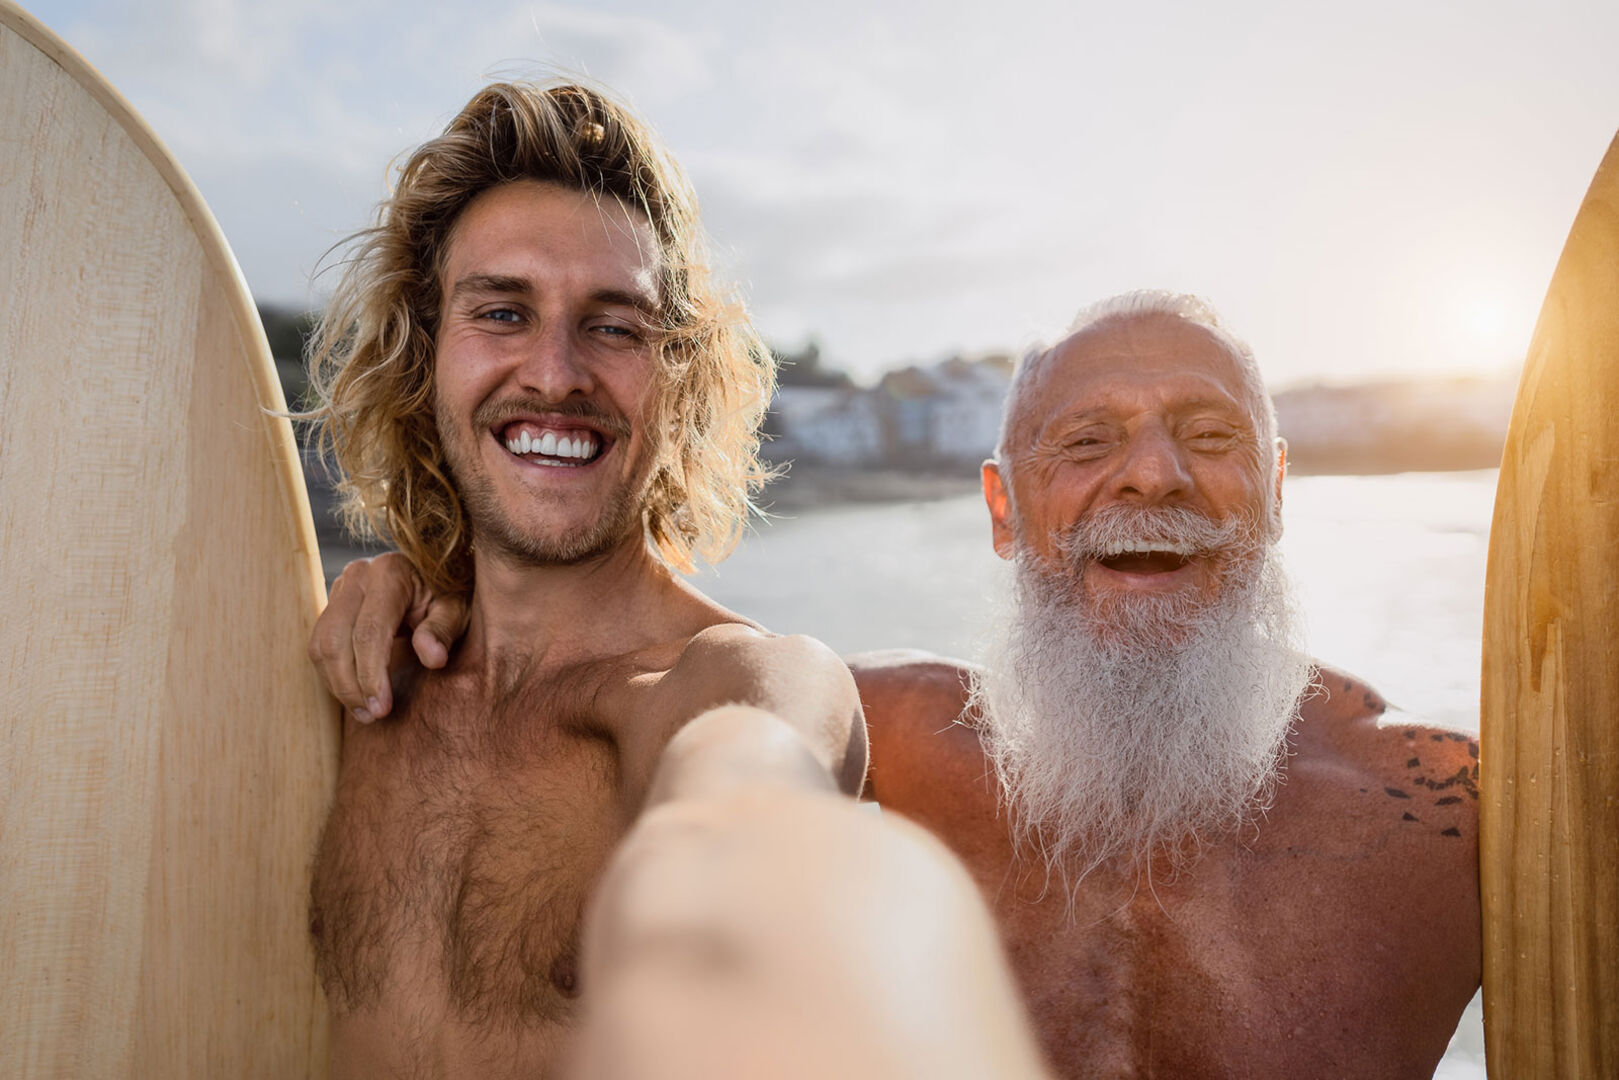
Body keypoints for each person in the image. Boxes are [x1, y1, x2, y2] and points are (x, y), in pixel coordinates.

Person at [321, 289, 1483, 1077]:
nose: (1150, 474)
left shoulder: (1447, 818)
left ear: (1274, 493)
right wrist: (447, 594)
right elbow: (641, 682)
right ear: (1001, 510)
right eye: (1085, 442)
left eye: (1208, 435)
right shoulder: (880, 735)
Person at [295, 78, 1050, 1079]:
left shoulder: (735, 680)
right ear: (425, 353)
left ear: (682, 376)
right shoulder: (362, 675)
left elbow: (753, 805)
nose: (555, 372)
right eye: (503, 312)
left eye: (614, 326)